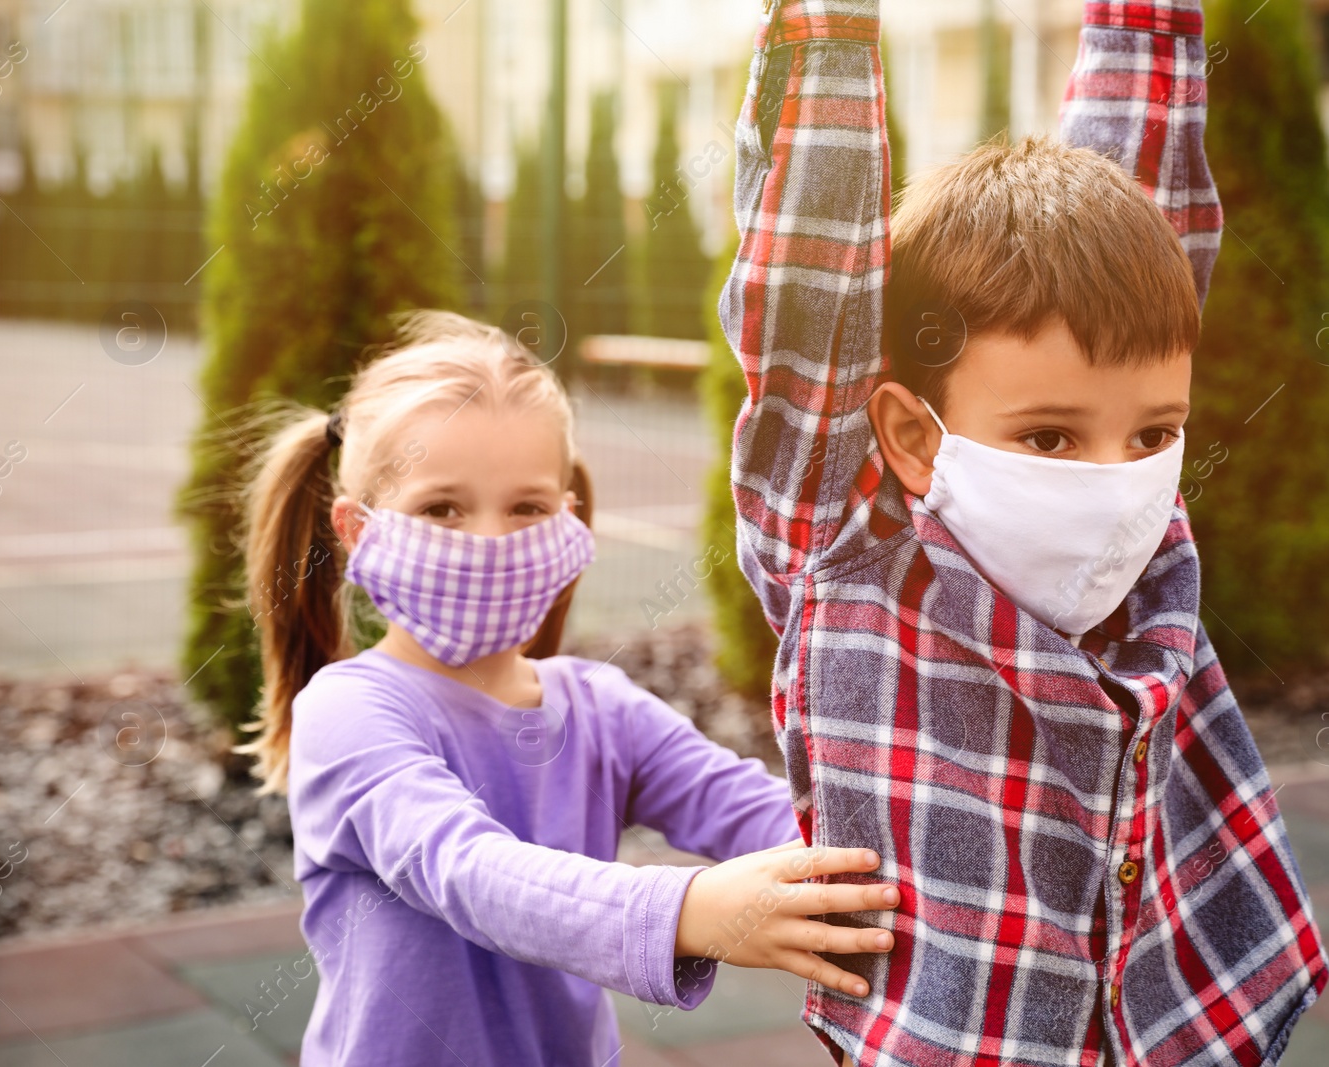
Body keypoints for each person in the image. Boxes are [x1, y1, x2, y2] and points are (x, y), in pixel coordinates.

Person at [721, 0, 1329, 1064]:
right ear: (912, 433)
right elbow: (804, 305)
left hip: (1191, 1013)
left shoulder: (1140, 505)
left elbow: (1143, 224)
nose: (1116, 479)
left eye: (1154, 432)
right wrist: (829, 26)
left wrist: (1142, 24)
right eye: (1048, 436)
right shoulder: (846, 551)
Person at [234, 309, 901, 1065]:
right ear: (358, 529)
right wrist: (690, 909)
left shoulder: (598, 705)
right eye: (440, 508)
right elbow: (470, 871)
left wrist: (881, 872)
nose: (487, 542)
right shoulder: (349, 709)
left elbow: (751, 807)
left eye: (527, 507)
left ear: (567, 519)